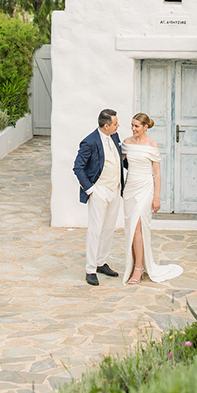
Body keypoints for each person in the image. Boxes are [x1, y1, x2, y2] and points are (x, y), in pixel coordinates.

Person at [122, 113, 183, 284]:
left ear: (145, 127)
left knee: (138, 228)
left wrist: (157, 197)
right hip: (130, 189)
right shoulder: (126, 143)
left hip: (145, 189)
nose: (133, 129)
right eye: (132, 125)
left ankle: (139, 269)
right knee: (131, 228)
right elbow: (118, 163)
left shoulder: (152, 145)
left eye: (137, 126)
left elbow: (157, 173)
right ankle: (134, 263)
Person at [73, 108, 126, 286]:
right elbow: (78, 167)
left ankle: (101, 262)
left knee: (109, 228)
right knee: (95, 230)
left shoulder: (115, 136)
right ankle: (90, 269)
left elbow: (119, 159)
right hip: (99, 191)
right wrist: (91, 190)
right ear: (106, 125)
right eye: (115, 124)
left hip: (115, 189)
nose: (118, 126)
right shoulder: (89, 142)